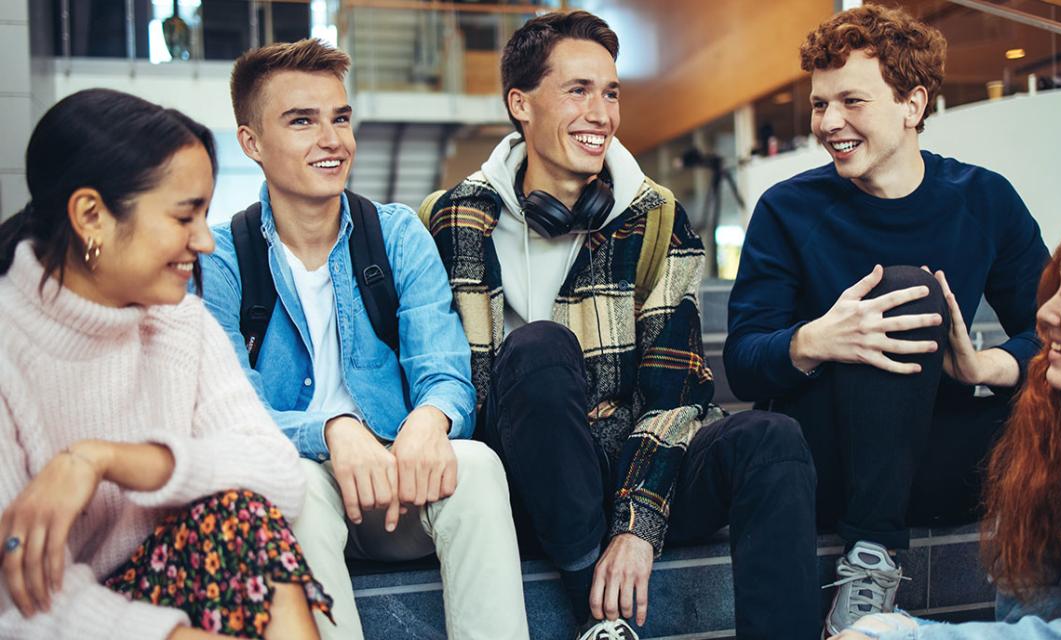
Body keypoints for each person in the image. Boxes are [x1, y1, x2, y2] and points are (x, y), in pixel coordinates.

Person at [421, 11, 818, 640]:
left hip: (633, 461)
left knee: (771, 440)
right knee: (541, 348)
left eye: (611, 93)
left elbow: (677, 392)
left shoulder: (655, 217)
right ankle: (599, 614)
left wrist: (637, 526)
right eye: (578, 90)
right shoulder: (451, 221)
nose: (601, 113)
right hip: (524, 475)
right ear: (520, 104)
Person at [723, 5, 1051, 636]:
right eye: (820, 105)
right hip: (824, 463)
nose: (829, 123)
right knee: (908, 288)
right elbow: (742, 358)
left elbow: (1058, 333)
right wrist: (816, 340)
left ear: (912, 103)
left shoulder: (984, 200)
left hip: (937, 457)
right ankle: (871, 562)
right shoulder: (787, 208)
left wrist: (986, 364)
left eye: (851, 101)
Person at [198, 39, 528, 640]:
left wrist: (430, 420)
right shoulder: (221, 259)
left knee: (477, 464)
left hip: (399, 489)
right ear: (251, 143)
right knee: (293, 483)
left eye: (340, 118)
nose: (333, 140)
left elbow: (445, 372)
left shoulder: (397, 234)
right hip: (299, 503)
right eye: (302, 121)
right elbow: (230, 413)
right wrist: (330, 430)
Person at [0, 88, 330, 639]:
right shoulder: (10, 347)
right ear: (91, 216)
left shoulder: (182, 325)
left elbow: (279, 477)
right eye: (186, 216)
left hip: (162, 586)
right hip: (54, 621)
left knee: (242, 519)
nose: (204, 240)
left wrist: (102, 459)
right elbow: (17, 603)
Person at [830, 212, 1061, 639]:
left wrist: (906, 633)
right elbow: (1035, 619)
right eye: (1057, 288)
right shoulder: (1055, 439)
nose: (1046, 312)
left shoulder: (980, 201)